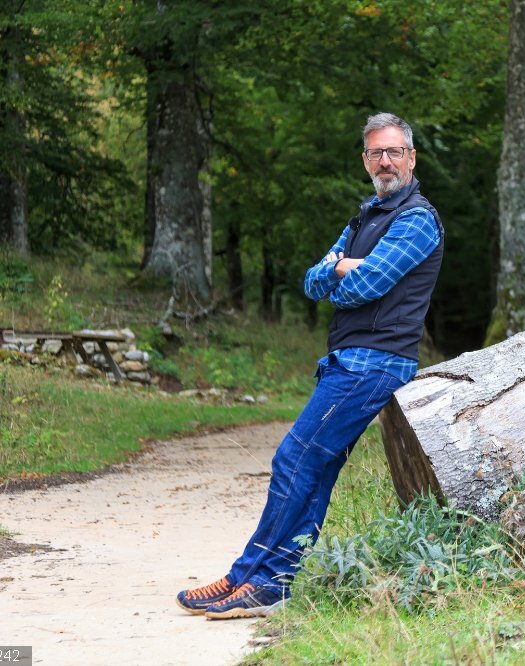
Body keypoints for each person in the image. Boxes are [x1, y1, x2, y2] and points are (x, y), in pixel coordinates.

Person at [175, 112, 444, 620]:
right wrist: (341, 266)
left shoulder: (416, 219)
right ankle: (267, 583)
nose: (385, 161)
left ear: (411, 158)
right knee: (314, 471)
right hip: (349, 360)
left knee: (293, 459)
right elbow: (311, 281)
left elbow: (366, 286)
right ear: (365, 160)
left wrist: (341, 272)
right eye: (376, 153)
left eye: (394, 152)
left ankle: (250, 575)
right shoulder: (365, 217)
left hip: (375, 362)